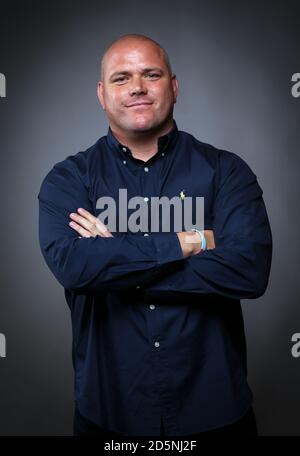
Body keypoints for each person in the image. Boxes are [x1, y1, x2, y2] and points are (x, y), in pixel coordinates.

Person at [38, 33, 272, 437]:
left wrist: (114, 265)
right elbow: (75, 268)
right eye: (121, 78)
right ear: (101, 93)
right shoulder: (69, 179)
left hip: (216, 410)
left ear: (174, 86)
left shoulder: (227, 171)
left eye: (151, 74)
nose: (137, 88)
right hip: (109, 412)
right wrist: (192, 241)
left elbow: (249, 270)